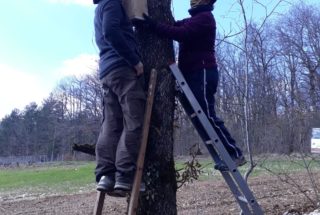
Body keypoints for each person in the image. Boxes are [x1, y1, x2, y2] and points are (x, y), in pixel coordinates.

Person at [142, 0, 246, 166]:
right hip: (193, 74)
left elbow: (181, 33)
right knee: (201, 116)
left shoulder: (205, 18)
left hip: (202, 72)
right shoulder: (194, 19)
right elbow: (174, 26)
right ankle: (228, 153)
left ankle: (235, 153)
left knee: (207, 115)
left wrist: (153, 25)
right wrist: (151, 23)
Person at [93, 0, 146, 195]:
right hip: (122, 68)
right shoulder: (112, 3)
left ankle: (107, 175)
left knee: (112, 123)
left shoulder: (102, 6)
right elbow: (111, 31)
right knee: (134, 120)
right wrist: (134, 60)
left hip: (107, 72)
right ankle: (124, 174)